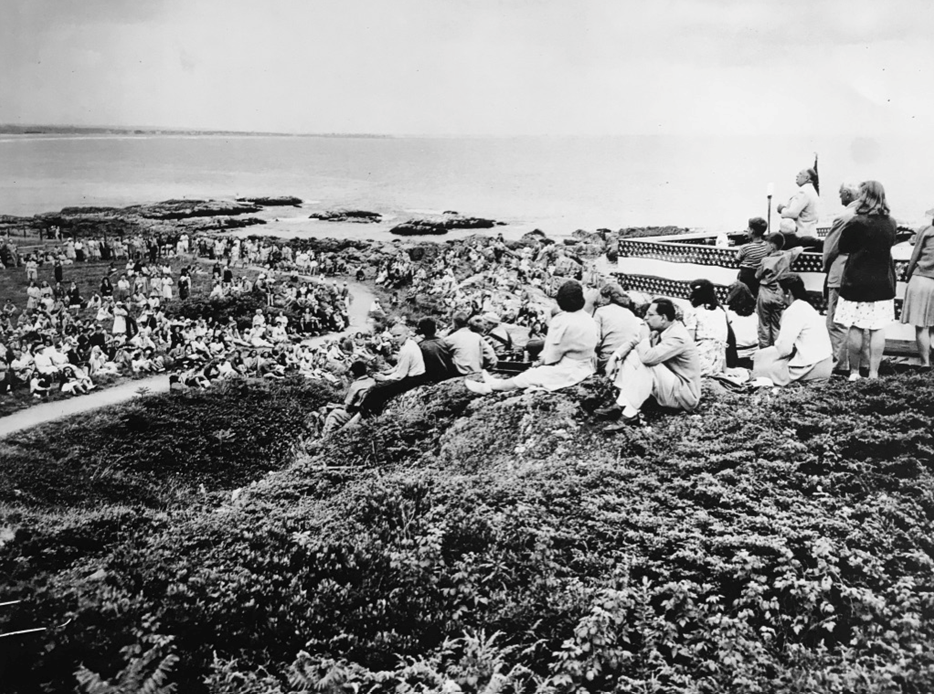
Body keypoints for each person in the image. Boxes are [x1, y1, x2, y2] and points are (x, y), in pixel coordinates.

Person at [465, 280, 597, 395]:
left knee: (531, 375)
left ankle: (492, 387)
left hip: (570, 370)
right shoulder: (588, 318)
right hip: (586, 366)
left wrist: (539, 363)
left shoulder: (563, 321)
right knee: (534, 372)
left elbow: (553, 356)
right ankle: (497, 383)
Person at [597, 297, 701, 428]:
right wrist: (614, 357)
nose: (645, 318)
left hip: (683, 395)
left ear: (663, 318)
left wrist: (645, 337)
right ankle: (622, 403)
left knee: (648, 364)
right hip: (668, 384)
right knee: (633, 355)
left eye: (650, 314)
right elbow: (633, 342)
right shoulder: (662, 329)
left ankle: (630, 414)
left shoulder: (678, 336)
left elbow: (648, 359)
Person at [834, 180, 897, 380]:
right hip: (882, 282)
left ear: (865, 196)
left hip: (856, 281)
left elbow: (843, 246)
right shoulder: (891, 222)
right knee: (878, 328)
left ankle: (854, 372)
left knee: (856, 326)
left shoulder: (856, 221)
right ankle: (874, 372)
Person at [752, 274, 833, 385]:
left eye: (778, 289)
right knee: (763, 356)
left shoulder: (793, 311)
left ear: (788, 292)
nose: (776, 293)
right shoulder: (805, 306)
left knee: (762, 369)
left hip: (812, 367)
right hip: (824, 363)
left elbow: (784, 349)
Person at [823, 181, 863, 369]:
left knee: (836, 321)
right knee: (859, 322)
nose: (839, 196)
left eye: (841, 193)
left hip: (840, 272)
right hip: (863, 274)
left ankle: (840, 365)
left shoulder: (844, 217)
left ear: (848, 194)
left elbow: (830, 248)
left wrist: (826, 266)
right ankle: (860, 363)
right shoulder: (869, 215)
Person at [357, 323, 427, 417]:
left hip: (414, 378)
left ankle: (369, 414)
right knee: (378, 387)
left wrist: (384, 378)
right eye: (394, 336)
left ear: (406, 334)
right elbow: (400, 365)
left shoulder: (406, 350)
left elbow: (400, 375)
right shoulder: (410, 343)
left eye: (398, 335)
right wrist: (388, 372)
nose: (396, 338)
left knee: (378, 390)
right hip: (416, 374)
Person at [756, 233, 804, 348]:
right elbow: (798, 249)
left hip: (765, 293)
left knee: (764, 325)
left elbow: (757, 275)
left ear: (772, 246)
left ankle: (764, 351)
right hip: (779, 293)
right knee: (777, 325)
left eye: (766, 244)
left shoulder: (765, 260)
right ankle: (777, 350)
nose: (764, 247)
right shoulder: (787, 256)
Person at [900, 218, 934, 368]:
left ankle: (925, 362)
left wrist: (908, 275)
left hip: (921, 279)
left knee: (922, 326)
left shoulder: (926, 230)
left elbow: (915, 256)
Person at [592, 283, 645, 374]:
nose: (600, 300)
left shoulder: (600, 311)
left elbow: (595, 341)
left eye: (602, 297)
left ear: (608, 297)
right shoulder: (630, 313)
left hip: (607, 360)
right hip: (628, 358)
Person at [685, 279, 729, 376]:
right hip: (717, 362)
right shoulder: (720, 312)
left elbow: (689, 342)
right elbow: (723, 341)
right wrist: (724, 370)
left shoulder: (692, 312)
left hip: (700, 360)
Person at [321, 361, 375, 435]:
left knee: (333, 414)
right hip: (370, 411)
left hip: (356, 413)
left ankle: (326, 435)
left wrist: (336, 406)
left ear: (353, 373)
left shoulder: (355, 385)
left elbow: (347, 407)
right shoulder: (372, 381)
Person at [777, 166, 821, 240]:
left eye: (800, 174)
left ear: (807, 177)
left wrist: (782, 209)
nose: (797, 175)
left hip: (802, 235)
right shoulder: (812, 191)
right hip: (810, 233)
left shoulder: (803, 191)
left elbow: (792, 213)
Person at [735, 217, 770, 297]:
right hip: (759, 277)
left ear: (752, 231)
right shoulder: (767, 245)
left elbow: (737, 259)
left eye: (748, 228)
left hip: (746, 276)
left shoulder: (745, 247)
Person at [415, 317, 456, 382]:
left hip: (432, 377)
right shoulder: (444, 341)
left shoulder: (420, 346)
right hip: (448, 374)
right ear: (435, 328)